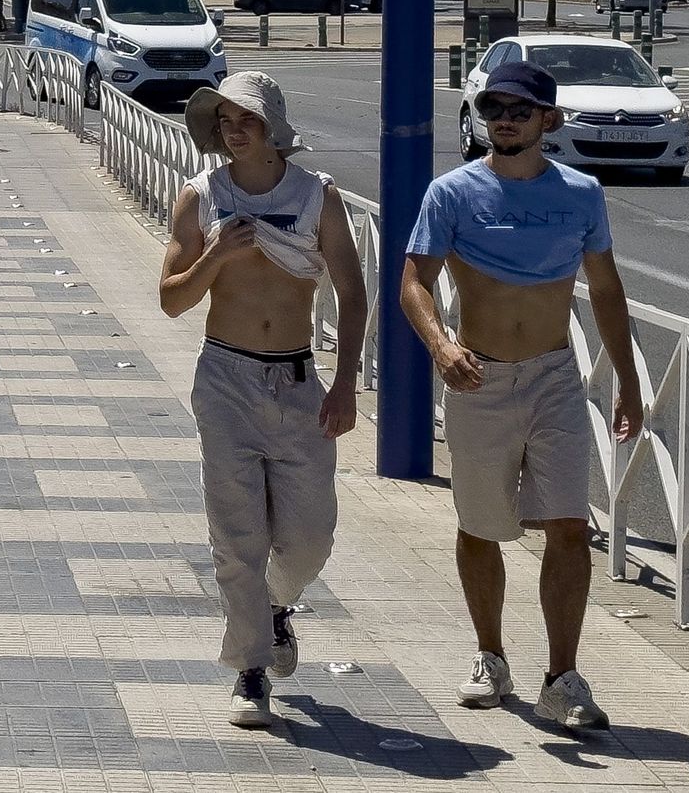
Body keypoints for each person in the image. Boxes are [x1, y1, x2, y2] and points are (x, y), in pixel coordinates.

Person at [400, 60, 644, 732]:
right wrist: (441, 345)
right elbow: (412, 282)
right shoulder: (451, 193)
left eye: (519, 108)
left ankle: (562, 678)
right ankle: (490, 655)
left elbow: (606, 290)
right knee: (480, 526)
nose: (503, 117)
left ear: (549, 119)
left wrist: (627, 378)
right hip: (478, 377)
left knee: (569, 525)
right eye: (493, 107)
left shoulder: (582, 194)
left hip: (555, 375)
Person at [159, 71, 367, 728]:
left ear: (273, 125)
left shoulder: (317, 197)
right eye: (223, 119)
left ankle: (277, 607)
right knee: (238, 534)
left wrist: (345, 381)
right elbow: (170, 299)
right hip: (225, 379)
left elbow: (353, 293)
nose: (233, 129)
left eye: (245, 117)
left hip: (298, 381)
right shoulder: (201, 199)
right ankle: (250, 668)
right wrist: (215, 256)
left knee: (309, 535)